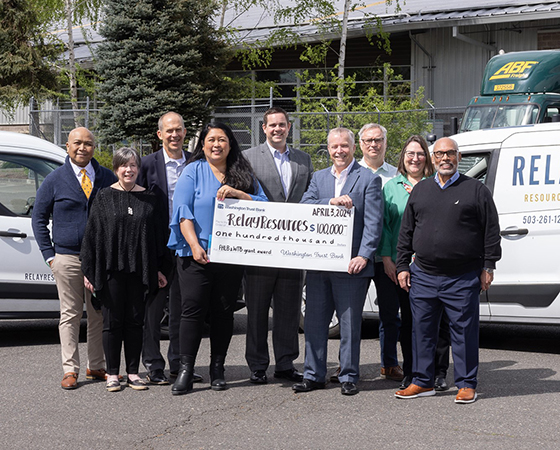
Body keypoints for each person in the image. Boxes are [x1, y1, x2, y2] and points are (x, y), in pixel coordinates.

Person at [394, 137, 502, 404]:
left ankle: (466, 384)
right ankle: (422, 381)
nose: (445, 158)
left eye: (450, 154)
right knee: (422, 331)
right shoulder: (420, 190)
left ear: (458, 156)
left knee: (464, 331)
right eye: (440, 154)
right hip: (423, 275)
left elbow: (491, 230)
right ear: (433, 158)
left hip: (462, 276)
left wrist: (489, 265)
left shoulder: (476, 190)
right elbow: (406, 231)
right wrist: (402, 265)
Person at [168, 122, 268, 395]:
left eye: (222, 140)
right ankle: (186, 370)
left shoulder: (242, 173)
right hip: (195, 255)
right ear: (202, 145)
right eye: (211, 139)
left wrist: (238, 193)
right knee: (192, 312)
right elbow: (183, 212)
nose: (216, 144)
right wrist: (194, 244)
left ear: (230, 144)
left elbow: (264, 205)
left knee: (224, 313)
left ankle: (218, 369)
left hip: (231, 255)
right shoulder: (192, 171)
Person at [293, 127, 383, 396]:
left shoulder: (368, 179)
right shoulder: (319, 178)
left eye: (344, 146)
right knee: (315, 323)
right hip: (320, 264)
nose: (339, 151)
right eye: (334, 147)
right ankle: (313, 375)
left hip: (351, 266)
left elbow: (374, 223)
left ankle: (348, 376)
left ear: (354, 148)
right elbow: (304, 207)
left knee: (349, 325)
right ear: (328, 149)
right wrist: (330, 201)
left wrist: (364, 255)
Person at [32, 127, 116, 389]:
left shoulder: (106, 178)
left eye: (88, 144)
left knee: (97, 314)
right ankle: (70, 370)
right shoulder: (55, 179)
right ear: (67, 145)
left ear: (94, 146)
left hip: (100, 260)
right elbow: (38, 218)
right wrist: (49, 255)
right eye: (77, 143)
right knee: (69, 314)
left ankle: (96, 366)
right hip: (67, 258)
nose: (83, 148)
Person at [81, 147, 170, 392]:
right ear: (116, 169)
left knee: (135, 322)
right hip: (111, 271)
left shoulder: (150, 198)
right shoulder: (103, 197)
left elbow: (160, 238)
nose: (128, 170)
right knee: (112, 322)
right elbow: (92, 237)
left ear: (138, 169)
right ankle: (112, 373)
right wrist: (90, 271)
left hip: (140, 271)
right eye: (123, 165)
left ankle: (132, 372)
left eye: (132, 165)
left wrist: (160, 269)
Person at [243, 107, 313, 385]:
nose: (277, 129)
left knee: (288, 309)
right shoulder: (248, 158)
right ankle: (258, 365)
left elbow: (309, 197)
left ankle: (285, 363)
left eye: (282, 125)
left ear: (289, 127)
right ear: (264, 128)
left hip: (293, 249)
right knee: (257, 310)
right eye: (272, 125)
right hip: (259, 249)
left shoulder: (303, 160)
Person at [137, 111, 202, 385]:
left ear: (185, 133)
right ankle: (153, 364)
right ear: (160, 134)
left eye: (179, 130)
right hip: (156, 246)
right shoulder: (147, 165)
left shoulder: (196, 163)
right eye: (169, 130)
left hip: (188, 245)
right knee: (152, 309)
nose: (175, 135)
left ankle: (179, 363)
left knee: (182, 307)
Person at [378, 135, 434, 389]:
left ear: (427, 158)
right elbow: (386, 227)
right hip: (400, 266)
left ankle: (431, 371)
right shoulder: (391, 187)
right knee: (408, 322)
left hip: (429, 266)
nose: (415, 158)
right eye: (410, 153)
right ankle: (411, 372)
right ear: (403, 158)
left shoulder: (436, 185)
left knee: (430, 323)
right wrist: (388, 260)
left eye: (420, 153)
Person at [356, 123, 403, 383]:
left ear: (385, 143)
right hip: (358, 256)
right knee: (351, 314)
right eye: (368, 140)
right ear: (360, 144)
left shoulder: (397, 176)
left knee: (389, 314)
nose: (373, 145)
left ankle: (389, 364)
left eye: (378, 140)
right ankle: (347, 365)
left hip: (388, 258)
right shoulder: (351, 173)